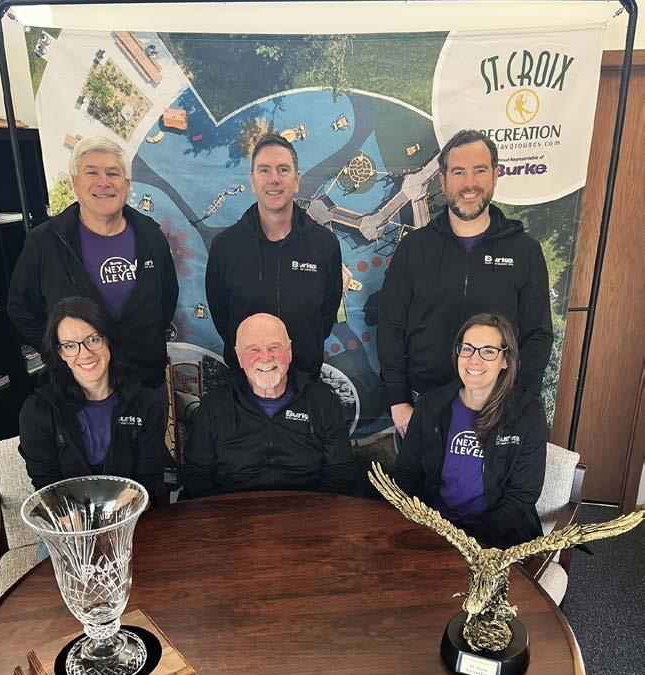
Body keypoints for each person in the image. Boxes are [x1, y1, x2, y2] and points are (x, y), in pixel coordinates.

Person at [377, 129, 553, 438]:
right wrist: (398, 401)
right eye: (458, 172)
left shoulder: (524, 251)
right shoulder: (414, 248)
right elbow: (390, 326)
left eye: (479, 171)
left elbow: (537, 334)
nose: (469, 183)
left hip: (495, 409)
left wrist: (518, 403)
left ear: (495, 175)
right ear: (442, 181)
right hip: (421, 406)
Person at [8, 136, 179, 412]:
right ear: (75, 183)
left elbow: (167, 299)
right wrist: (62, 352)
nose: (104, 182)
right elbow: (20, 307)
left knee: (150, 442)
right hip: (78, 386)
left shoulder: (151, 236)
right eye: (92, 173)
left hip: (144, 381)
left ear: (127, 184)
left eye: (113, 173)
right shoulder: (46, 242)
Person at [394, 313, 547, 549]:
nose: (474, 359)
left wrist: (471, 540)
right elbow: (407, 472)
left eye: (488, 351)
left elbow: (522, 495)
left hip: (496, 540)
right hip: (434, 530)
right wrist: (423, 525)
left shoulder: (528, 414)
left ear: (505, 360)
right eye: (467, 349)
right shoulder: (431, 405)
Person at [205, 133, 342, 379]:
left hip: (305, 380)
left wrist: (305, 349)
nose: (274, 179)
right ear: (252, 180)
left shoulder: (325, 245)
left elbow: (326, 315)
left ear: (296, 180)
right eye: (264, 170)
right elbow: (222, 317)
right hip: (246, 383)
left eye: (283, 169)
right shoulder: (225, 247)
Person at [183, 313, 357, 497]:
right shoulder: (215, 405)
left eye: (274, 347)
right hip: (234, 509)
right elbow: (196, 474)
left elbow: (341, 469)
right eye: (253, 349)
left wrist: (315, 509)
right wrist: (225, 511)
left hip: (309, 507)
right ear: (239, 356)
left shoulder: (321, 400)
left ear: (289, 351)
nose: (265, 358)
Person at [19, 297, 167, 505]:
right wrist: (75, 521)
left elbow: (147, 481)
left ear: (108, 340)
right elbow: (47, 487)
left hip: (133, 516)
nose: (85, 354)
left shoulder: (145, 404)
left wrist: (116, 517)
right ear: (60, 353)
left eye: (93, 339)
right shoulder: (38, 410)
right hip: (69, 520)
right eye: (70, 346)